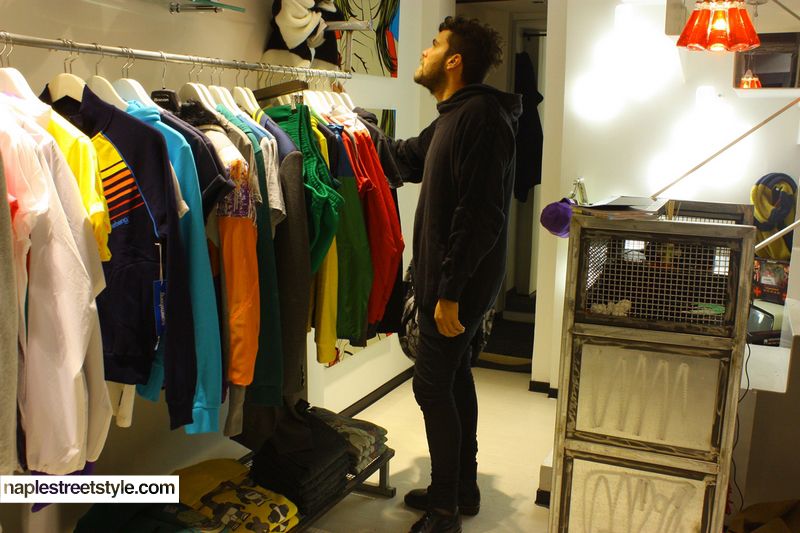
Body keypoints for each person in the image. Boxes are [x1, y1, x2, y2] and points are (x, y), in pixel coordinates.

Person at [384, 15, 522, 533]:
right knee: (455, 375)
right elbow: (406, 159)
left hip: (458, 286)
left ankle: (444, 510)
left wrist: (449, 292)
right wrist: (354, 125)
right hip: (452, 282)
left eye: (434, 44)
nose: (424, 51)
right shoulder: (454, 116)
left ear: (454, 60)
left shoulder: (481, 117)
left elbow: (481, 215)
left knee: (431, 386)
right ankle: (462, 488)